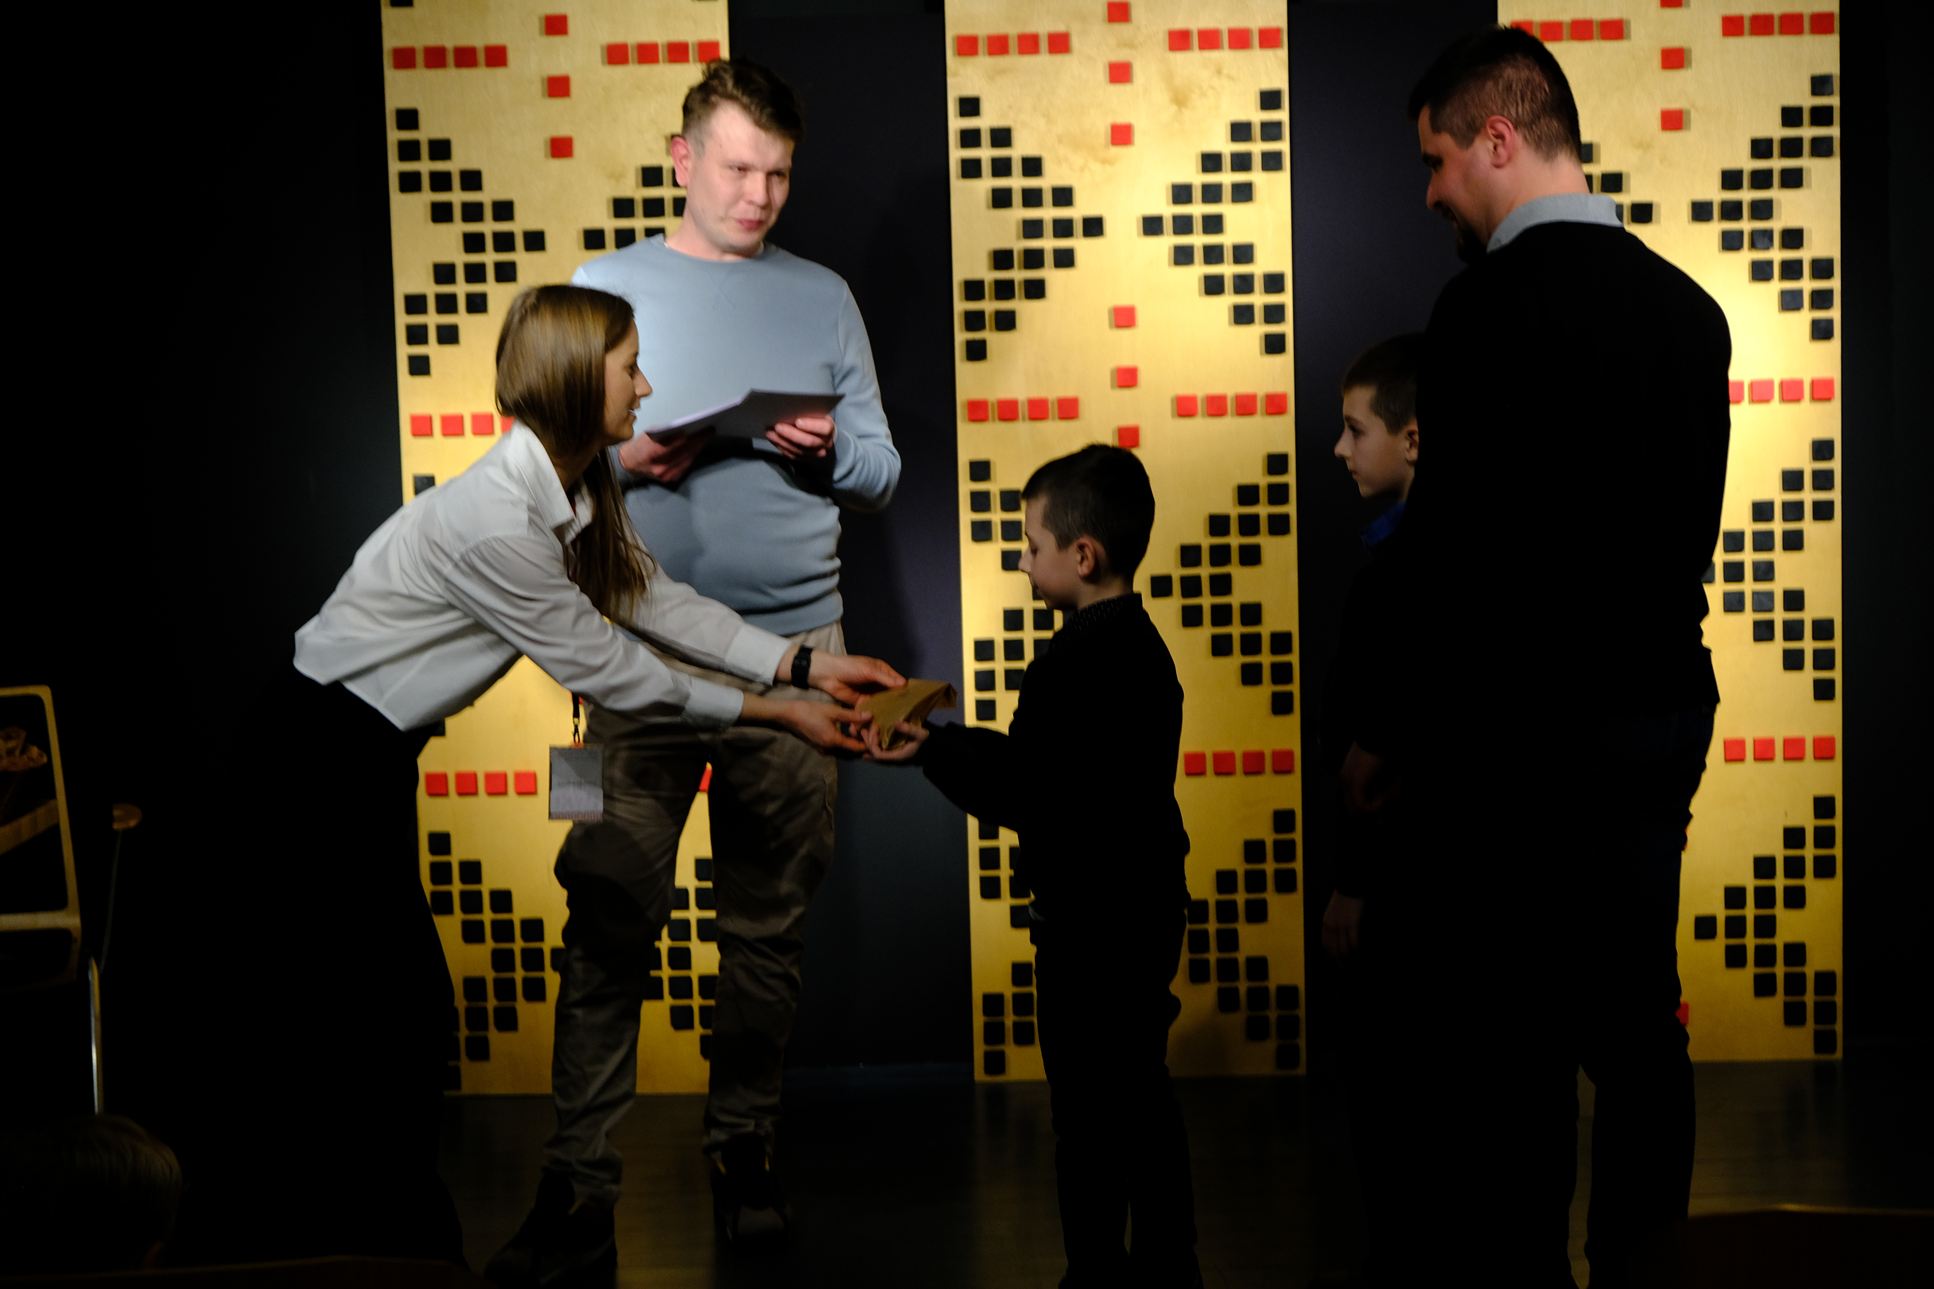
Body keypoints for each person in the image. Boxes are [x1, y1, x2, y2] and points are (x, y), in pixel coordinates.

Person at [288, 284, 898, 1263]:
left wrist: (800, 665)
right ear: (579, 381)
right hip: (316, 755)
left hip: (369, 755)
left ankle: (405, 1241)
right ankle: (421, 1240)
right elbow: (615, 668)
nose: (646, 388)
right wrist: (777, 708)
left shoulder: (571, 487)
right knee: (394, 1009)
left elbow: (645, 595)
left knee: (397, 1012)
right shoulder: (499, 518)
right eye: (630, 368)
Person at [489, 58, 900, 1278]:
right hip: (626, 658)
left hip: (800, 660)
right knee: (605, 915)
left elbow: (881, 471)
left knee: (765, 929)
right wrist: (625, 462)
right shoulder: (603, 288)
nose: (758, 193)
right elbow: (532, 467)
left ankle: (743, 1152)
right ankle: (578, 1180)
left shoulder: (822, 296)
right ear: (680, 159)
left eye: (778, 173)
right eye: (736, 167)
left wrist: (824, 454)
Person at [1363, 26, 1732, 1286]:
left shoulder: (1477, 311)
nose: (1430, 193)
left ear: (1496, 138)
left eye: (1435, 160)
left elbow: (1453, 556)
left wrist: (1392, 732)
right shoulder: (1689, 313)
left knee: (1513, 1041)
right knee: (1636, 1024)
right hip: (1652, 714)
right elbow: (1686, 538)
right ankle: (1644, 1270)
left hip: (1515, 737)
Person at [867, 446, 1201, 1289]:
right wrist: (943, 745)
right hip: (1145, 910)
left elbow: (1028, 787)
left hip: (1089, 927)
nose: (1021, 561)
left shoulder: (1069, 666)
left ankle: (1096, 1272)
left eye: (1029, 544)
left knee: (1086, 1116)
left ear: (1081, 554)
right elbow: (1045, 775)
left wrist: (929, 750)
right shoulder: (1144, 649)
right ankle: (1170, 1268)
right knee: (1142, 1096)